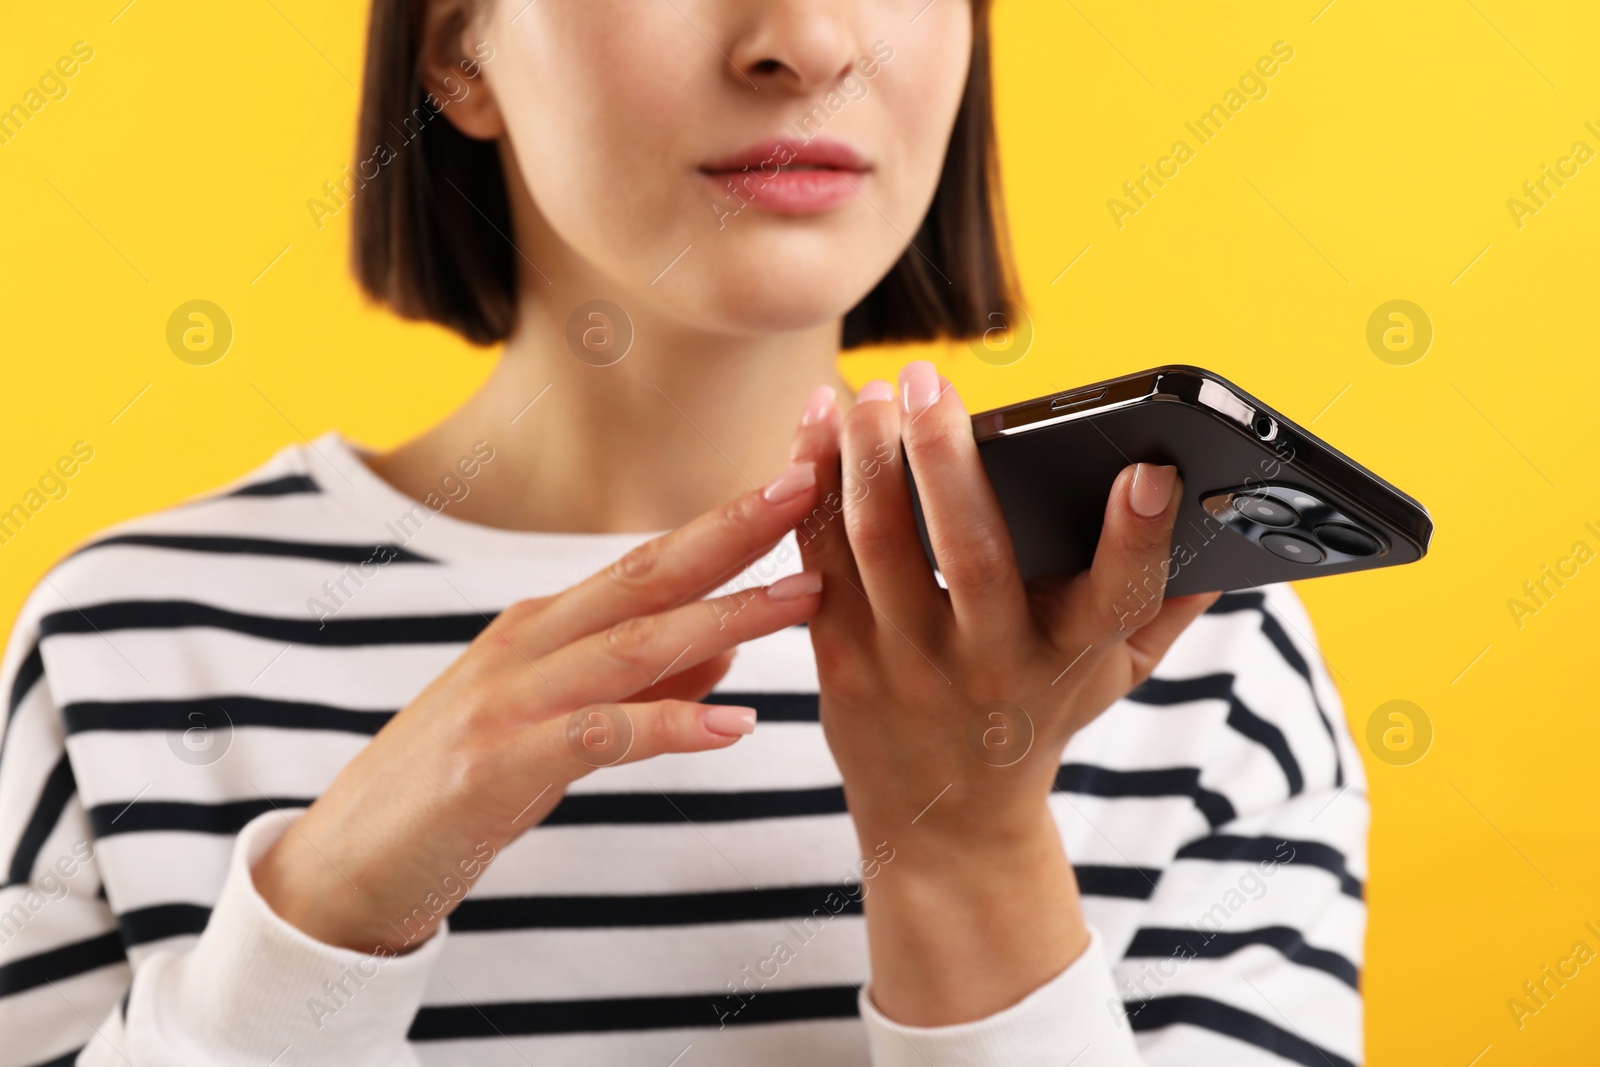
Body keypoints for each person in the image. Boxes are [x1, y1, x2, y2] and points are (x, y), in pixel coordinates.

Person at [0, 0, 1366, 1063]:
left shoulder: (1189, 662)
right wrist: (317, 919)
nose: (809, 41)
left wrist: (967, 852)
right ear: (456, 51)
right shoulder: (129, 648)